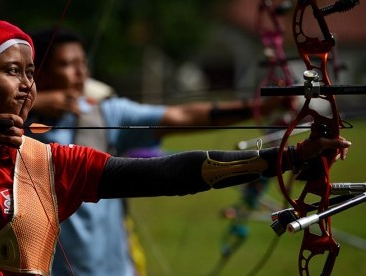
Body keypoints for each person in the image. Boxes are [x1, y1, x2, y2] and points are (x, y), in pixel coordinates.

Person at [0, 19, 349, 276]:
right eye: (12, 71)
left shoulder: (46, 162)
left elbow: (170, 174)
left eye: (31, 72)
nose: (28, 85)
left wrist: (289, 156)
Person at [26, 28, 296, 276]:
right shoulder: (12, 125)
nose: (80, 73)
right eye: (67, 64)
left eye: (82, 63)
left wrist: (258, 108)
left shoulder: (104, 112)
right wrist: (34, 101)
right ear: (39, 72)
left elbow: (181, 115)